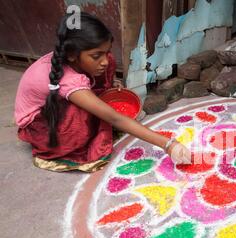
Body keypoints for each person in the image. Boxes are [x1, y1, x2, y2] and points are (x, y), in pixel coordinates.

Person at [14, 12, 191, 172]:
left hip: (60, 98)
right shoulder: (68, 81)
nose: (104, 61)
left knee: (108, 65)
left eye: (105, 52)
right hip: (40, 126)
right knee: (87, 115)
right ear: (71, 54)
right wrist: (168, 144)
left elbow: (102, 64)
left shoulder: (72, 59)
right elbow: (114, 118)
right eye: (96, 56)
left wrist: (111, 80)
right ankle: (68, 144)